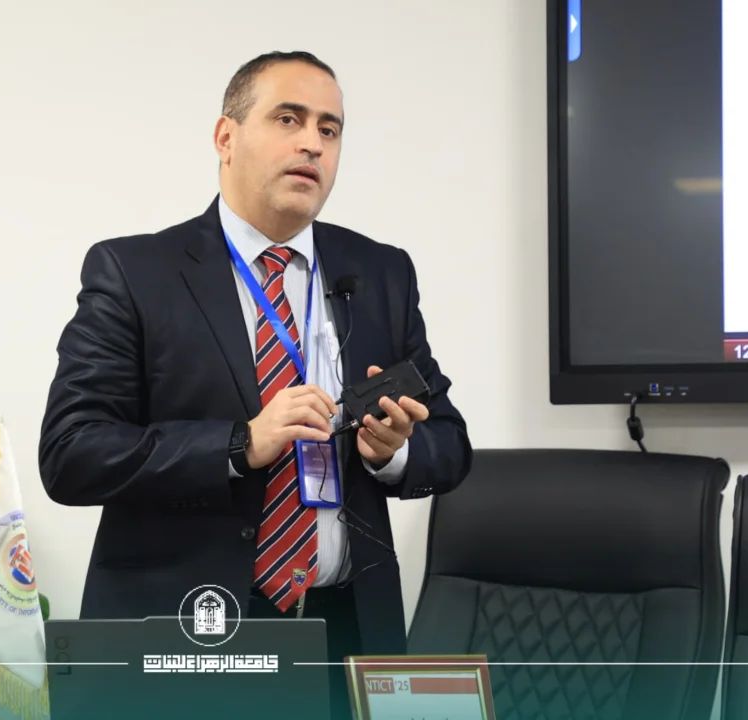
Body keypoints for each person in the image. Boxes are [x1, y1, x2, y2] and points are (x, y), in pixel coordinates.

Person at [39, 50, 471, 718]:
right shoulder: (136, 272)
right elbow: (72, 452)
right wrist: (239, 443)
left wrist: (393, 452)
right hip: (189, 635)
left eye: (329, 129)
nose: (312, 143)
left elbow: (450, 443)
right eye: (288, 119)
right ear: (226, 137)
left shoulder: (380, 273)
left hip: (346, 631)